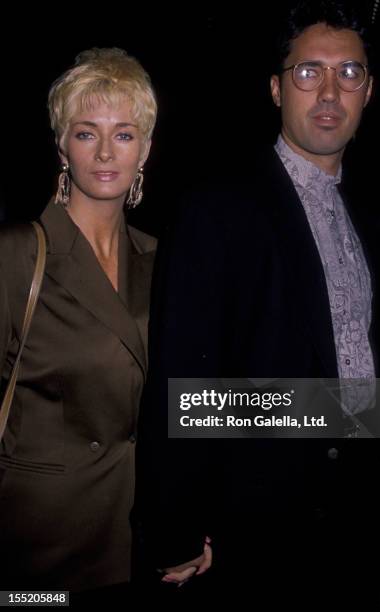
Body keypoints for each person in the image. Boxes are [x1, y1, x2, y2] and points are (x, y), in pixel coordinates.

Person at [139, 1, 380, 608]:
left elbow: (374, 378)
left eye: (349, 74)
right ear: (275, 88)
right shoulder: (217, 208)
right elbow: (186, 384)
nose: (328, 91)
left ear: (369, 93)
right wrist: (176, 527)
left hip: (362, 532)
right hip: (257, 535)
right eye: (307, 71)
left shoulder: (369, 222)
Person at [0, 47, 158, 595]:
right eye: (87, 132)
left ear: (146, 149)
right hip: (37, 547)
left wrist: (192, 519)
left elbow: (184, 401)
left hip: (136, 540)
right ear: (63, 146)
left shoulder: (162, 260)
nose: (107, 151)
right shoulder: (18, 254)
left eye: (125, 133)